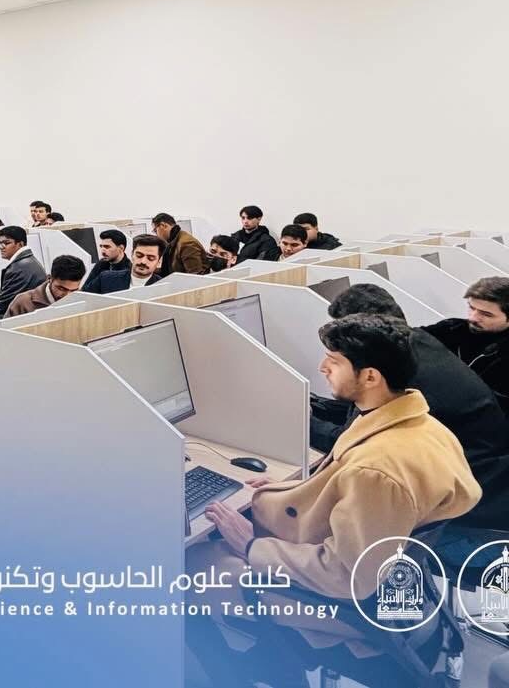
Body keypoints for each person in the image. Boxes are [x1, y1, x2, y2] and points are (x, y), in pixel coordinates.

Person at [190, 315, 480, 681]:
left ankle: (245, 673)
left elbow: (347, 574)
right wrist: (290, 491)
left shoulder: (377, 470)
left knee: (190, 564)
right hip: (392, 584)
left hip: (347, 606)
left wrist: (252, 546)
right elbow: (355, 497)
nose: (322, 367)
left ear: (370, 376)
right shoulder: (422, 426)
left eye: (334, 360)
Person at [323, 284, 509, 529]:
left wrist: (300, 420)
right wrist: (316, 405)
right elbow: (367, 416)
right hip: (480, 477)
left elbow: (351, 440)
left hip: (465, 499)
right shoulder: (418, 343)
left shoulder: (404, 376)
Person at [422, 277, 509, 409]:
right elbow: (405, 339)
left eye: (486, 314)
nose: (473, 318)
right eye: (471, 308)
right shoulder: (452, 328)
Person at [0, 226, 46, 318]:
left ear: (20, 244)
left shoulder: (18, 269)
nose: (1, 247)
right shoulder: (28, 261)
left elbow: (1, 310)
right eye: (0, 243)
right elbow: (9, 297)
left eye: (6, 243)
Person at [5, 255, 86, 317]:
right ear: (49, 278)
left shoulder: (83, 301)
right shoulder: (23, 302)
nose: (67, 296)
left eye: (73, 290)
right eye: (61, 289)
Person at [86, 234, 164, 293]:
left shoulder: (164, 287)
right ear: (132, 255)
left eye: (150, 258)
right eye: (139, 255)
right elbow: (83, 300)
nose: (143, 261)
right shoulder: (105, 278)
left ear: (159, 262)